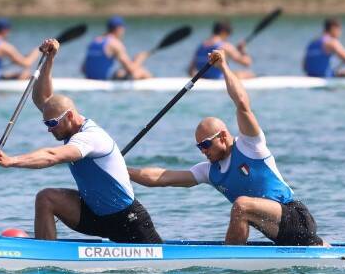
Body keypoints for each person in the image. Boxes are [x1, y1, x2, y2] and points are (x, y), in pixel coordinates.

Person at [129, 50, 326, 246]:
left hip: (295, 216)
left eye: (206, 144)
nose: (203, 151)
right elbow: (161, 178)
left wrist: (223, 66)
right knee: (244, 207)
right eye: (200, 147)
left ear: (223, 136)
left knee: (241, 205)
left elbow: (242, 104)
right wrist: (123, 169)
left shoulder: (250, 145)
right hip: (277, 231)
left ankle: (230, 259)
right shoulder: (208, 171)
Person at [0, 39, 162, 243]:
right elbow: (42, 98)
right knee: (46, 198)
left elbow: (52, 156)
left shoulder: (90, 137)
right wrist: (49, 59)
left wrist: (12, 161)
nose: (49, 128)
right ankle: (45, 254)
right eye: (46, 123)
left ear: (69, 116)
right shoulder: (64, 121)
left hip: (127, 220)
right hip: (94, 215)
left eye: (52, 123)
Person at [82, 16, 152, 80]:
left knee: (121, 71)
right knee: (140, 71)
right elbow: (130, 69)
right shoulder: (115, 43)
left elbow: (83, 69)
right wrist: (139, 59)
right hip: (105, 80)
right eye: (123, 29)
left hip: (89, 78)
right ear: (119, 29)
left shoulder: (94, 41)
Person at [188, 20, 254, 79]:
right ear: (223, 32)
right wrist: (243, 50)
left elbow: (190, 70)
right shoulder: (225, 46)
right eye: (228, 35)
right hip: (218, 78)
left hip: (203, 77)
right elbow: (247, 63)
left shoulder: (201, 46)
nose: (227, 38)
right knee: (249, 74)